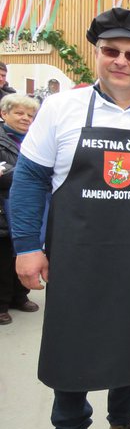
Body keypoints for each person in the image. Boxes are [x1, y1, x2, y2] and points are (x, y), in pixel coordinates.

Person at [9, 7, 130, 429]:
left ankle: (123, 420)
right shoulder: (60, 108)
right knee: (70, 340)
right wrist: (26, 246)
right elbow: (30, 178)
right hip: (73, 253)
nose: (120, 61)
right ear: (98, 55)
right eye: (111, 51)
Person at [0, 94, 40, 325]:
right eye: (19, 113)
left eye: (30, 115)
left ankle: (19, 296)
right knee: (3, 259)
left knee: (23, 252)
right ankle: (1, 304)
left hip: (24, 208)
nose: (25, 118)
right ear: (4, 114)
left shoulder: (35, 139)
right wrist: (27, 176)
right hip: (3, 208)